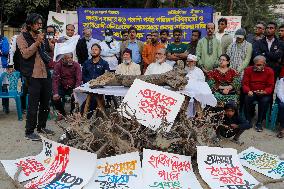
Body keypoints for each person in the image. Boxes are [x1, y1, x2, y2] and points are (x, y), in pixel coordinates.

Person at [17, 13, 54, 141]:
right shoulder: (21, 37)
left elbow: (47, 51)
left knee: (45, 103)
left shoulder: (41, 35)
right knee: (33, 105)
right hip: (32, 75)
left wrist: (50, 43)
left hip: (45, 73)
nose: (40, 25)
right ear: (30, 24)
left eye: (40, 23)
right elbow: (25, 54)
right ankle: (29, 131)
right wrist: (37, 42)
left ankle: (41, 127)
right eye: (37, 23)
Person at [242, 55, 274, 132]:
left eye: (259, 65)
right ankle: (248, 120)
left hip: (264, 92)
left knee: (265, 101)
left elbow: (271, 86)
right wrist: (248, 91)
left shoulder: (269, 71)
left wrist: (265, 91)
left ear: (264, 64)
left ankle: (259, 122)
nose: (257, 66)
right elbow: (244, 84)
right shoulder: (248, 70)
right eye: (255, 64)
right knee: (247, 98)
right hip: (252, 91)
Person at [82, 43, 110, 117]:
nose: (94, 51)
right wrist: (89, 82)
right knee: (80, 102)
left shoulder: (104, 63)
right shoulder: (86, 63)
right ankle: (83, 116)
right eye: (92, 49)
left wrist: (98, 83)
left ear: (100, 51)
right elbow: (83, 75)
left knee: (94, 100)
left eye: (96, 49)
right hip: (88, 87)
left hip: (99, 88)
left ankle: (89, 118)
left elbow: (107, 76)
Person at [52, 53, 82, 117]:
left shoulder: (76, 65)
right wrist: (55, 93)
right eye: (68, 58)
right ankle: (62, 113)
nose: (70, 59)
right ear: (63, 59)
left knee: (75, 96)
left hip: (73, 87)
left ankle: (72, 113)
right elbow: (55, 80)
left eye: (71, 57)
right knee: (55, 97)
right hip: (62, 86)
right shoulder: (58, 65)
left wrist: (75, 90)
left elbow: (78, 79)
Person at [0, 33, 10, 114]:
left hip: (2, 66)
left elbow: (6, 51)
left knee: (4, 86)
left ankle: (6, 106)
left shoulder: (4, 40)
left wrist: (1, 52)